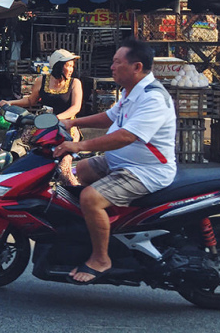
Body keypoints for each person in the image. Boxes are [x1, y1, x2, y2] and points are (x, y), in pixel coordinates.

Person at [53, 38, 176, 285]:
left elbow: (126, 136)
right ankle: (95, 231)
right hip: (118, 162)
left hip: (145, 171)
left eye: (117, 62)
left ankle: (101, 258)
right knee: (75, 173)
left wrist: (80, 144)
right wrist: (71, 122)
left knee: (90, 198)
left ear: (137, 67)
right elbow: (110, 117)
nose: (111, 67)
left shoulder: (153, 98)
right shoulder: (131, 91)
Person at [0, 48, 84, 184]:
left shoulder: (75, 83)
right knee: (22, 149)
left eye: (72, 66)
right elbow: (30, 101)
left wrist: (57, 118)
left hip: (67, 129)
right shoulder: (42, 81)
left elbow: (75, 108)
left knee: (64, 171)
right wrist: (9, 102)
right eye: (67, 66)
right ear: (58, 66)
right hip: (44, 125)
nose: (70, 69)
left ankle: (77, 197)